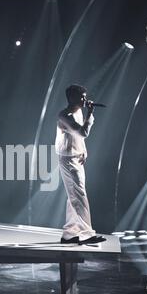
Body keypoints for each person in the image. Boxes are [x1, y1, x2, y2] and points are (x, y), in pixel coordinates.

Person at [55, 84, 106, 245]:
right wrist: (90, 114)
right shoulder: (64, 115)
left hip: (76, 157)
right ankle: (86, 234)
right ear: (72, 98)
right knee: (79, 195)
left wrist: (83, 150)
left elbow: (79, 137)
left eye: (85, 96)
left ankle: (69, 234)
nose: (85, 99)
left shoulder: (77, 112)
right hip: (68, 158)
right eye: (82, 97)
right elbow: (82, 132)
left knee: (74, 196)